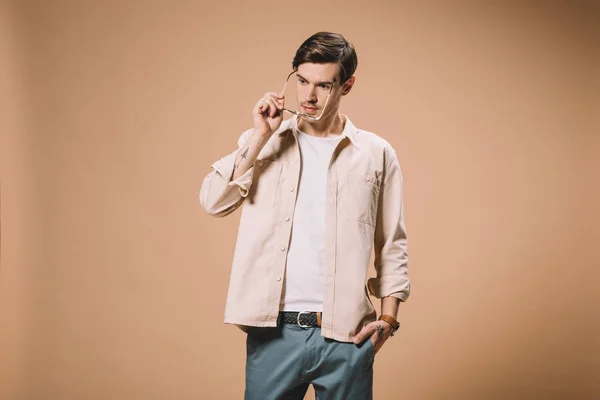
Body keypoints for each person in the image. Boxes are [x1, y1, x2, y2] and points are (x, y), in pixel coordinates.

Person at [199, 31, 410, 399]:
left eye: (323, 85)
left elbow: (391, 242)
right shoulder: (265, 140)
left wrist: (388, 319)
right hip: (273, 333)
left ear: (346, 86)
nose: (309, 96)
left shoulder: (375, 153)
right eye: (301, 81)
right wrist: (260, 136)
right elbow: (213, 202)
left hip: (346, 334)